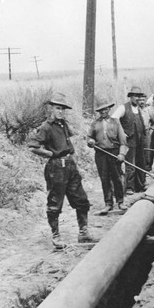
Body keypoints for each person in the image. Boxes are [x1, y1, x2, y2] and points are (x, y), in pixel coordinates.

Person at [28, 94, 98, 249]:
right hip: (56, 168)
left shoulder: (63, 125)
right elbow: (33, 146)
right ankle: (56, 236)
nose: (61, 111)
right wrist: (50, 154)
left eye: (63, 109)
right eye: (58, 108)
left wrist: (74, 160)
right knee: (55, 203)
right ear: (51, 109)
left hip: (70, 166)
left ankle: (83, 232)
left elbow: (70, 141)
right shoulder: (46, 127)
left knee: (81, 199)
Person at [87, 101, 127, 214]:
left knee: (117, 178)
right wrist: (91, 141)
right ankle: (108, 203)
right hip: (100, 154)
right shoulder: (95, 124)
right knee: (104, 179)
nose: (103, 112)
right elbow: (89, 137)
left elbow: (123, 141)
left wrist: (122, 154)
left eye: (105, 109)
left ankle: (120, 201)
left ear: (109, 110)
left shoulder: (116, 122)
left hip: (114, 153)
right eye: (101, 110)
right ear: (99, 112)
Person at [111, 86, 146, 194]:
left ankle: (140, 185)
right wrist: (122, 132)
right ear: (130, 97)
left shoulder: (138, 109)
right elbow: (114, 118)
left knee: (141, 163)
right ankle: (130, 187)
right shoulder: (123, 107)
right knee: (130, 164)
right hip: (129, 141)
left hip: (140, 140)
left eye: (139, 96)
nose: (137, 98)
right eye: (135, 96)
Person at [137, 93, 151, 170]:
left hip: (147, 132)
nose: (142, 102)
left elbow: (152, 120)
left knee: (147, 150)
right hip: (139, 133)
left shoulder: (147, 110)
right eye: (140, 100)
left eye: (143, 100)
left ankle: (147, 167)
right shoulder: (136, 110)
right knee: (140, 151)